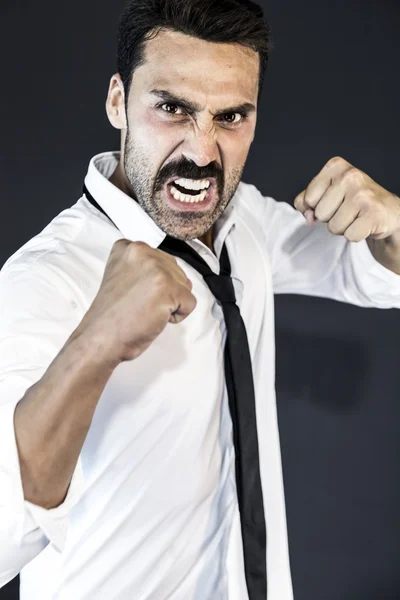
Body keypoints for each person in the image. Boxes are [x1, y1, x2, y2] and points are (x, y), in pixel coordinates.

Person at [1, 0, 399, 598]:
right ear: (118, 102)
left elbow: (374, 273)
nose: (202, 152)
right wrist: (95, 345)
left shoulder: (245, 222)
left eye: (231, 117)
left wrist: (393, 222)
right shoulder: (46, 278)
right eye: (172, 109)